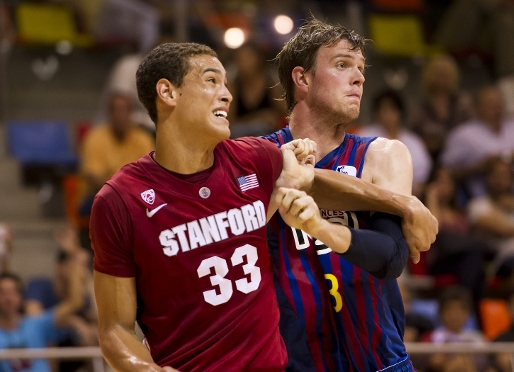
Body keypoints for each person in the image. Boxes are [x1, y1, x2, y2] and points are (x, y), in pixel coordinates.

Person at [91, 42, 437, 372]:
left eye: (226, 84)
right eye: (211, 81)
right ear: (168, 93)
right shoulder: (120, 200)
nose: (227, 94)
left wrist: (405, 204)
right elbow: (115, 329)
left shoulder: (252, 159)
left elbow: (317, 182)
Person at [263, 17, 433, 371]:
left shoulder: (384, 154)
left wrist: (318, 224)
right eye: (342, 65)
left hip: (379, 361)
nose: (359, 78)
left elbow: (390, 258)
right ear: (302, 79)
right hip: (291, 362)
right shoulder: (255, 156)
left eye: (361, 69)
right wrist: (405, 203)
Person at [0, 262, 84, 372]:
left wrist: (75, 265)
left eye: (13, 292)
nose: (9, 298)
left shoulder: (36, 323)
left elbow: (75, 303)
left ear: (21, 296)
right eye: (3, 292)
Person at [441, 85, 514, 198]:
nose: (497, 109)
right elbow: (445, 171)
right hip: (481, 200)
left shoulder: (512, 127)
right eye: (491, 105)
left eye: (499, 104)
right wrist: (478, 167)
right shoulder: (463, 134)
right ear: (477, 108)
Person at [358, 89, 432, 196]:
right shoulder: (363, 135)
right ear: (376, 113)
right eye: (382, 109)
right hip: (371, 195)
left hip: (409, 198)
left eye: (391, 109)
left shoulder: (414, 141)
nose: (386, 115)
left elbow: (422, 176)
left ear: (400, 112)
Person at [407, 54, 474, 162]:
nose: (442, 78)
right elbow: (413, 140)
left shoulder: (462, 103)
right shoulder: (420, 108)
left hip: (461, 159)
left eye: (446, 74)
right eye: (438, 73)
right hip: (431, 159)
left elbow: (473, 131)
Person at [421, 286, 489, 372]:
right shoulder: (430, 338)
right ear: (441, 312)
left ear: (468, 313)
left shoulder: (478, 339)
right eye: (450, 309)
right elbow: (427, 363)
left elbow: (483, 365)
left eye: (460, 309)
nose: (455, 315)